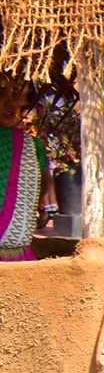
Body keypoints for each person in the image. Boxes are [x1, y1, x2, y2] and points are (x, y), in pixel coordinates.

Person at [0, 76, 50, 261]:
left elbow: (43, 184)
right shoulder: (31, 146)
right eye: (1, 93)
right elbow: (44, 185)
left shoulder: (31, 146)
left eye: (14, 95)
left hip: (16, 257)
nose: (10, 103)